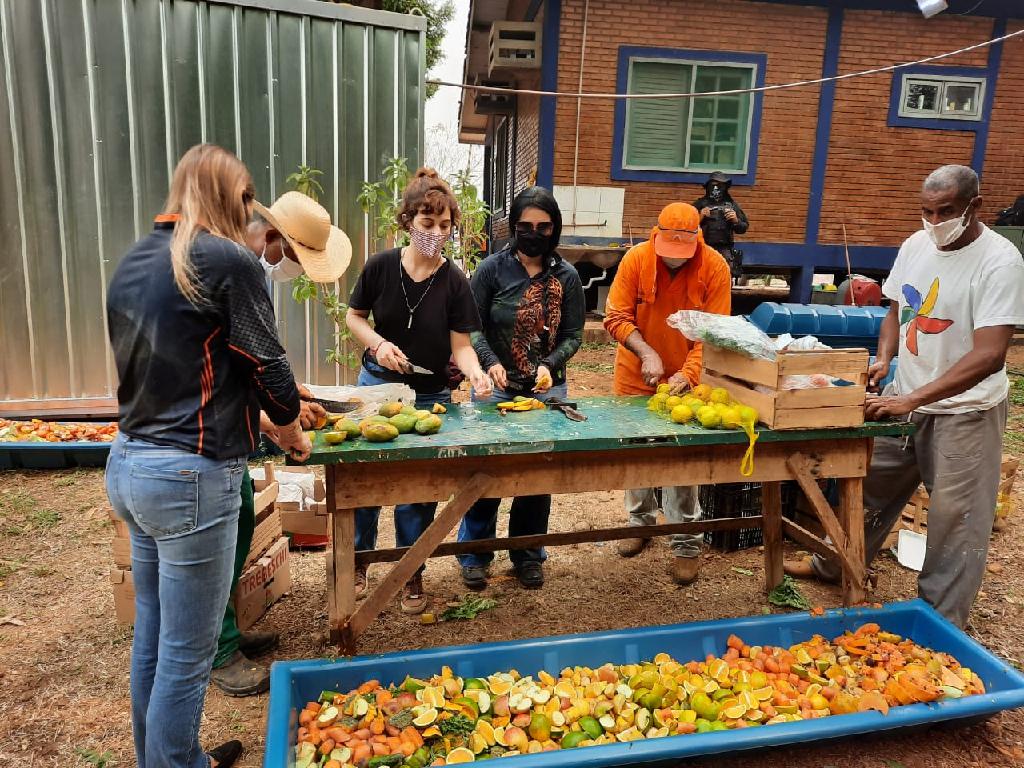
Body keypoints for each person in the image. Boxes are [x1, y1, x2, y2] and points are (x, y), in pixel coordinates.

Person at [104, 144, 311, 768]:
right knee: (188, 656)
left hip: (131, 463)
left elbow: (198, 361)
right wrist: (289, 422)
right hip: (191, 475)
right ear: (231, 197)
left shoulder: (135, 258)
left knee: (155, 639)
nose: (251, 212)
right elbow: (267, 362)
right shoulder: (226, 259)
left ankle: (163, 758)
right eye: (247, 198)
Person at [784, 165, 1024, 628]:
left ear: (973, 207)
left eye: (946, 212)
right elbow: (896, 309)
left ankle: (939, 620)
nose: (935, 222)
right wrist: (884, 359)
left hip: (965, 411)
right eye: (927, 212)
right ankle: (836, 566)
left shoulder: (1000, 262)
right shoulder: (917, 245)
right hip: (903, 398)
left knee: (956, 521)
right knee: (867, 492)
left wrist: (911, 401)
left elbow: (992, 354)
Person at [210, 192, 351, 697]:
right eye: (292, 258)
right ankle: (218, 652)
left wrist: (282, 406)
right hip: (203, 440)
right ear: (271, 238)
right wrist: (285, 422)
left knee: (240, 519)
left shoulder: (242, 273)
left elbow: (251, 364)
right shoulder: (235, 270)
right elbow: (252, 368)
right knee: (215, 544)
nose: (290, 269)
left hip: (230, 439)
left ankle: (225, 633)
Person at [345, 168, 492, 614]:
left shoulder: (455, 281)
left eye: (445, 226)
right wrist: (379, 344)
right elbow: (354, 318)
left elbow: (461, 346)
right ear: (408, 220)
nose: (437, 233)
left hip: (430, 398)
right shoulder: (379, 267)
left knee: (418, 491)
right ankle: (358, 561)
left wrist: (476, 374)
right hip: (377, 389)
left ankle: (410, 574)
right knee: (364, 484)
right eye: (428, 224)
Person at [456, 186, 586, 591]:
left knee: (535, 479)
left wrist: (550, 364)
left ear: (555, 228)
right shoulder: (491, 270)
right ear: (513, 226)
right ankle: (475, 555)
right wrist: (489, 362)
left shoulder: (567, 276)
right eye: (525, 226)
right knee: (486, 473)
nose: (533, 233)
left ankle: (528, 554)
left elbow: (574, 334)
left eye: (543, 227)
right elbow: (471, 326)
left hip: (548, 393)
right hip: (496, 389)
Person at [604, 202, 731, 585]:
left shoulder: (715, 268)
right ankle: (639, 523)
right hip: (634, 373)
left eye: (682, 254)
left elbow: (712, 333)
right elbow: (616, 317)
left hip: (687, 381)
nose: (673, 262)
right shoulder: (636, 260)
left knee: (681, 460)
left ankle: (686, 543)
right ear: (655, 236)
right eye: (667, 253)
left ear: (698, 240)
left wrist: (688, 375)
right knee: (636, 452)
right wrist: (646, 352)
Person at [692, 172, 748, 280]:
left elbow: (743, 227)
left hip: (724, 249)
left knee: (723, 278)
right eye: (713, 184)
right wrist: (700, 216)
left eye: (720, 185)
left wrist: (735, 220)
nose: (716, 188)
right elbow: (686, 226)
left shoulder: (731, 205)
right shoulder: (700, 204)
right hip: (703, 248)